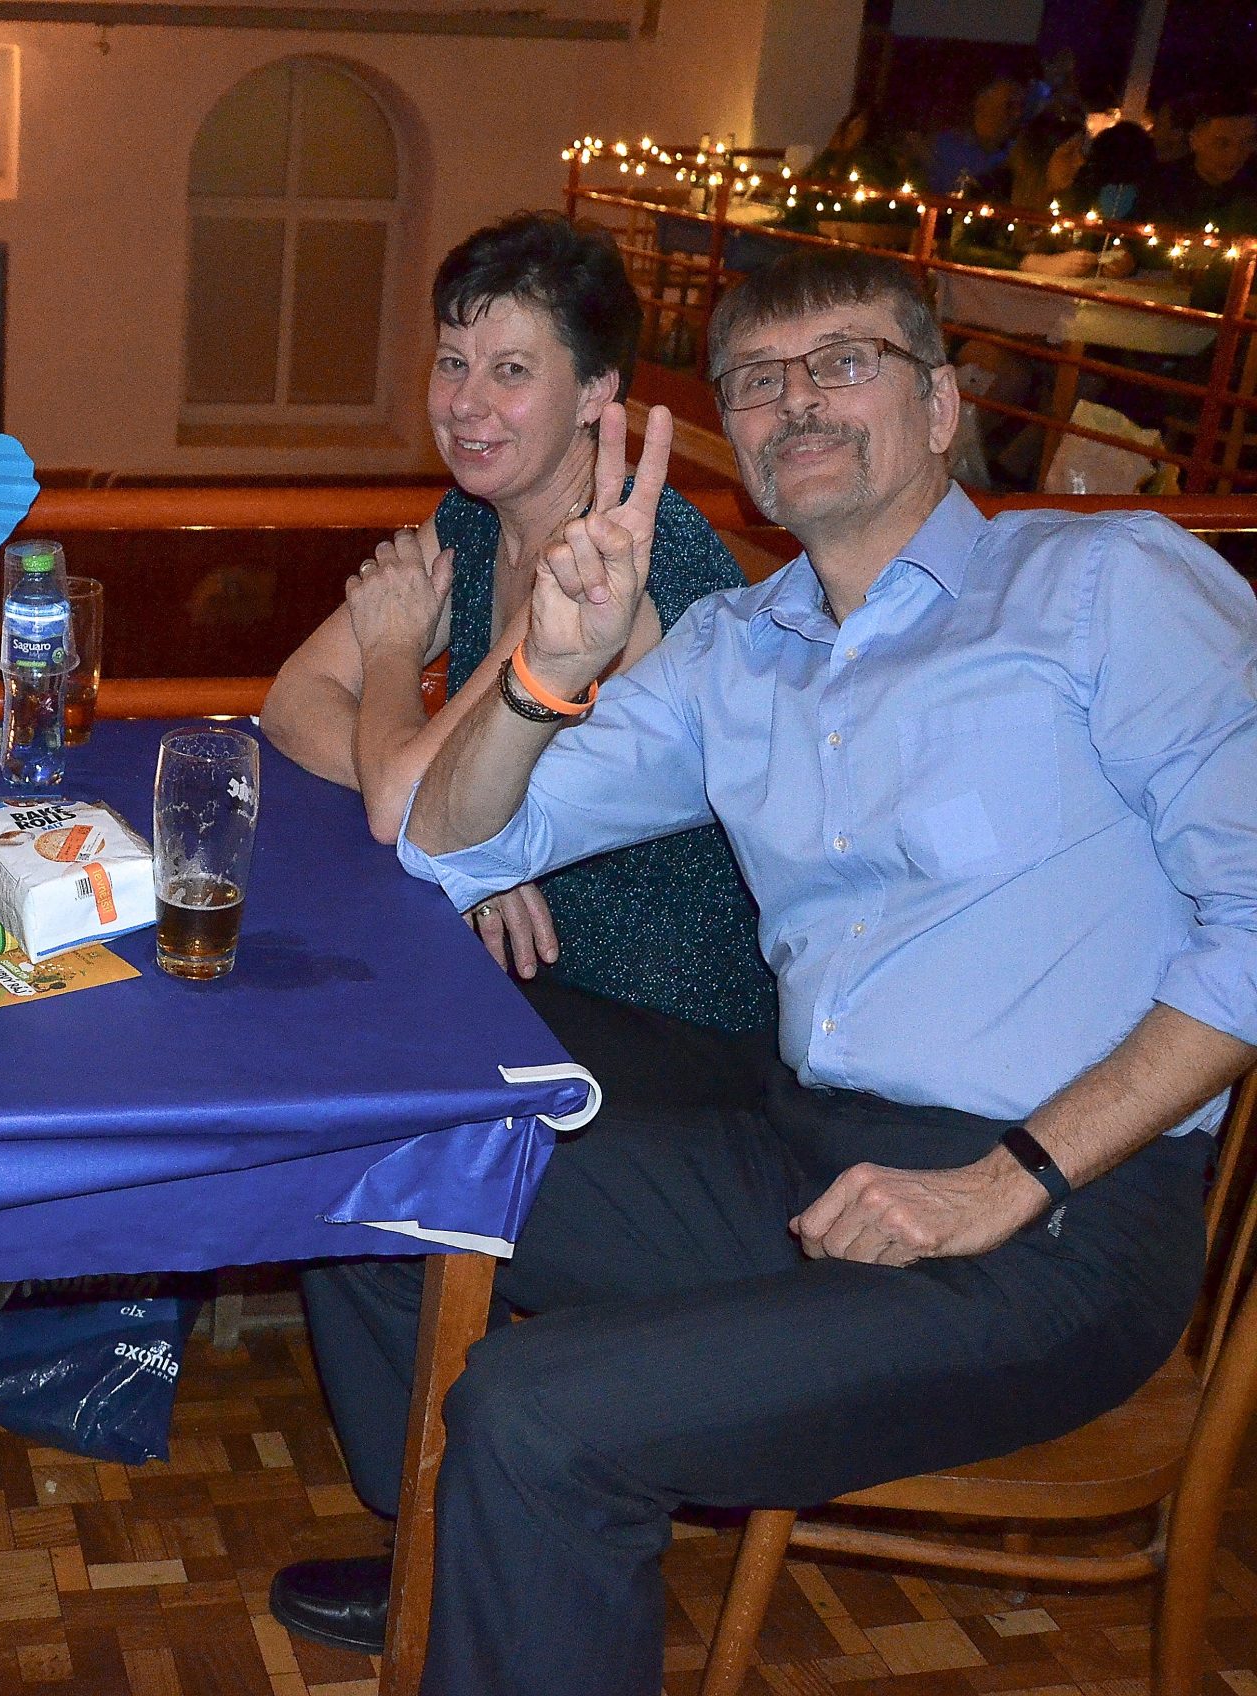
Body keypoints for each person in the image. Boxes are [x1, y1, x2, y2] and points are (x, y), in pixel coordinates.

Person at [269, 248, 1257, 1693]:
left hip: (1058, 1216)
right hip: (806, 1160)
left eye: (843, 363)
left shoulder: (1103, 585)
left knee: (538, 1411)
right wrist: (546, 672)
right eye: (756, 381)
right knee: (384, 1158)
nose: (797, 402)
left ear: (941, 406)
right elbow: (444, 841)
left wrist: (1009, 1178)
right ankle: (448, 1554)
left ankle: (513, 1532)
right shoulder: (735, 651)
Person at [262, 210, 774, 1054]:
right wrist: (469, 847)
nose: (467, 403)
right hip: (516, 975)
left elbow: (399, 807)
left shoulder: (615, 557)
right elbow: (292, 699)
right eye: (452, 363)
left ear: (596, 391)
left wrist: (393, 656)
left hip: (662, 1023)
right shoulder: (474, 518)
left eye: (511, 371)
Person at [1140, 92, 1257, 234]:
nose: (1235, 155)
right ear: (1194, 139)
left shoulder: (1250, 191)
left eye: (1247, 142)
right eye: (1222, 143)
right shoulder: (1157, 189)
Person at [925, 71, 1030, 194]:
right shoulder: (940, 149)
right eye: (1010, 106)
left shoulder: (1019, 158)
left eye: (1021, 106)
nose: (1018, 114)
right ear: (982, 103)